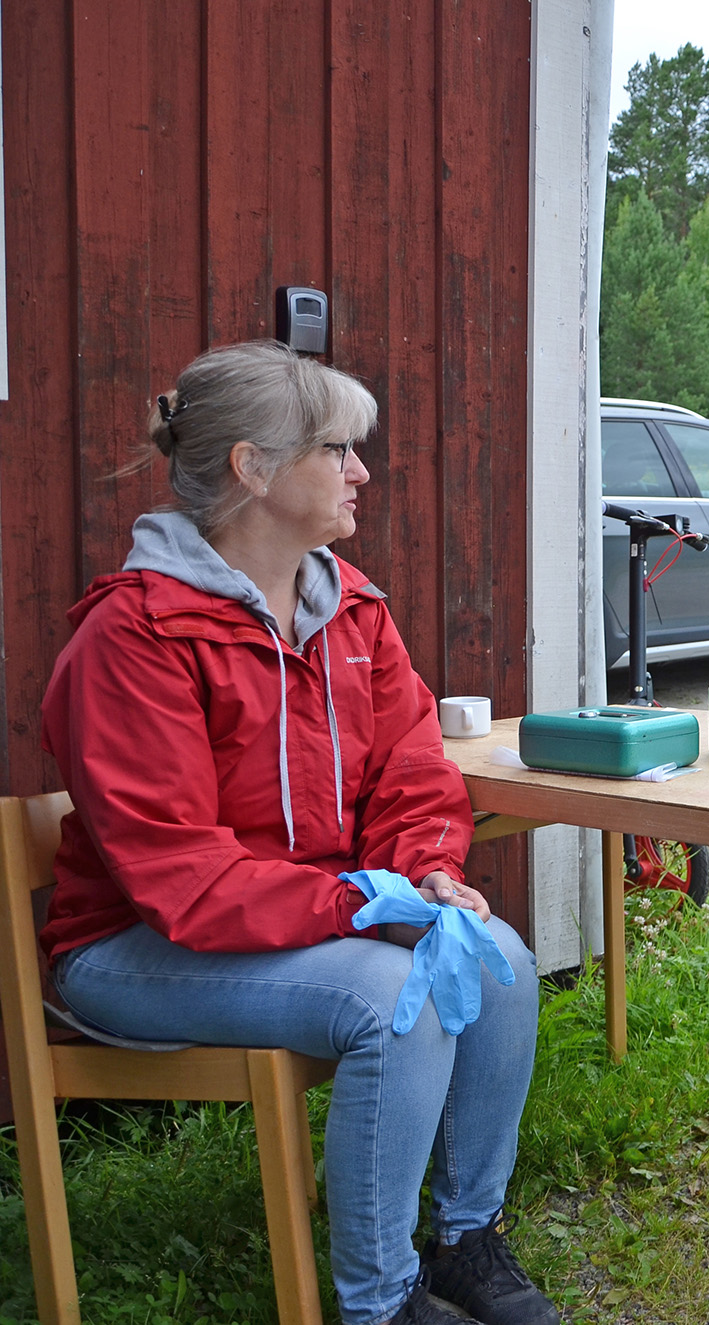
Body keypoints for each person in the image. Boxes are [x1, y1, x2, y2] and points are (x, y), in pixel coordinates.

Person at [39, 342, 558, 1325]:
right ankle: (380, 1298)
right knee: (396, 994)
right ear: (254, 467)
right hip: (130, 944)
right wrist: (364, 905)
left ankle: (462, 1237)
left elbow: (411, 781)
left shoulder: (353, 612)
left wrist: (427, 878)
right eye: (338, 449)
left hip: (306, 919)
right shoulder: (136, 635)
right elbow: (179, 871)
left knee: (494, 958)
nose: (361, 471)